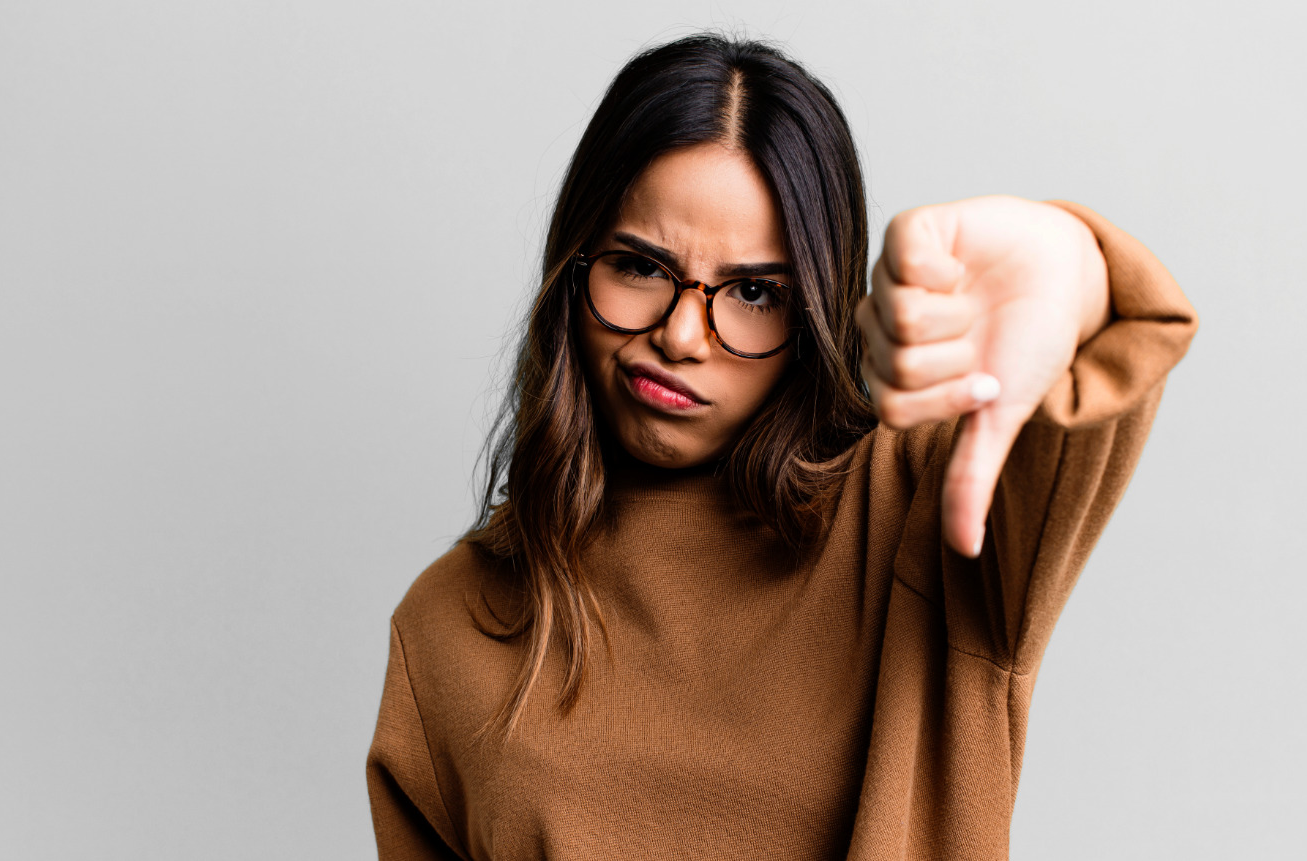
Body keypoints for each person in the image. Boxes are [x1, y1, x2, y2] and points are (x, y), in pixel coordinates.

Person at [366, 33, 1196, 860]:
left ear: (813, 319)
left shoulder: (916, 514)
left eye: (755, 291)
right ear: (572, 270)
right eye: (640, 266)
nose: (682, 334)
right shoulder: (448, 623)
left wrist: (1069, 267)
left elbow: (1111, 347)